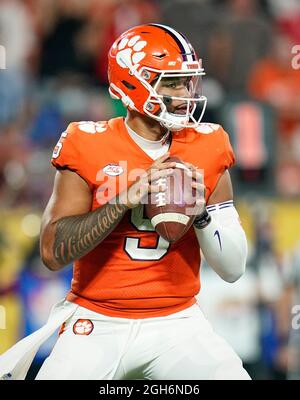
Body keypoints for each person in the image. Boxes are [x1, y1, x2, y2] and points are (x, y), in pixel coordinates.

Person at [0, 23, 250, 380]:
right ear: (134, 82)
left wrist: (201, 217)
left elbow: (233, 268)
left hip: (177, 321)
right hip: (96, 319)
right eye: (173, 82)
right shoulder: (86, 142)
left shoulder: (207, 144)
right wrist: (121, 201)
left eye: (187, 82)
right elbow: (52, 253)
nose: (185, 93)